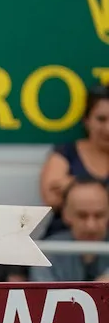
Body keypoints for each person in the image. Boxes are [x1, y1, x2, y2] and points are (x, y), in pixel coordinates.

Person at [40, 87, 109, 233]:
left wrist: (73, 184)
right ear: (87, 120)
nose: (107, 128)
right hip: (64, 243)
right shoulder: (66, 152)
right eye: (101, 119)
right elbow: (51, 198)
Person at [30, 180, 109, 283]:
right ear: (66, 214)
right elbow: (41, 297)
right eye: (82, 216)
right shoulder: (46, 254)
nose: (91, 226)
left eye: (99, 215)